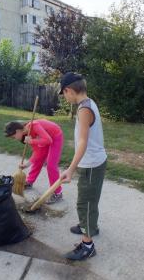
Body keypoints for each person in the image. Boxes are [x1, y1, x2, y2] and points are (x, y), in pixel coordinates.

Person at [59, 72, 107, 261]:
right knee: (87, 199)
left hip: (92, 163)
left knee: (85, 204)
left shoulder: (83, 110)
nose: (65, 98)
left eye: (64, 94)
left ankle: (87, 245)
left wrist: (70, 169)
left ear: (69, 90)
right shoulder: (88, 103)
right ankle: (89, 226)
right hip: (92, 162)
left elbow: (83, 143)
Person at [5, 119, 64, 204]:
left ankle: (57, 192)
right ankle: (30, 182)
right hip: (45, 138)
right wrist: (26, 165)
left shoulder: (34, 125)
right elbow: (37, 152)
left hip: (55, 136)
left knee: (51, 165)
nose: (14, 139)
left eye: (13, 137)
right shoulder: (27, 135)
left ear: (18, 131)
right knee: (38, 160)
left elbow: (49, 140)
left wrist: (32, 141)